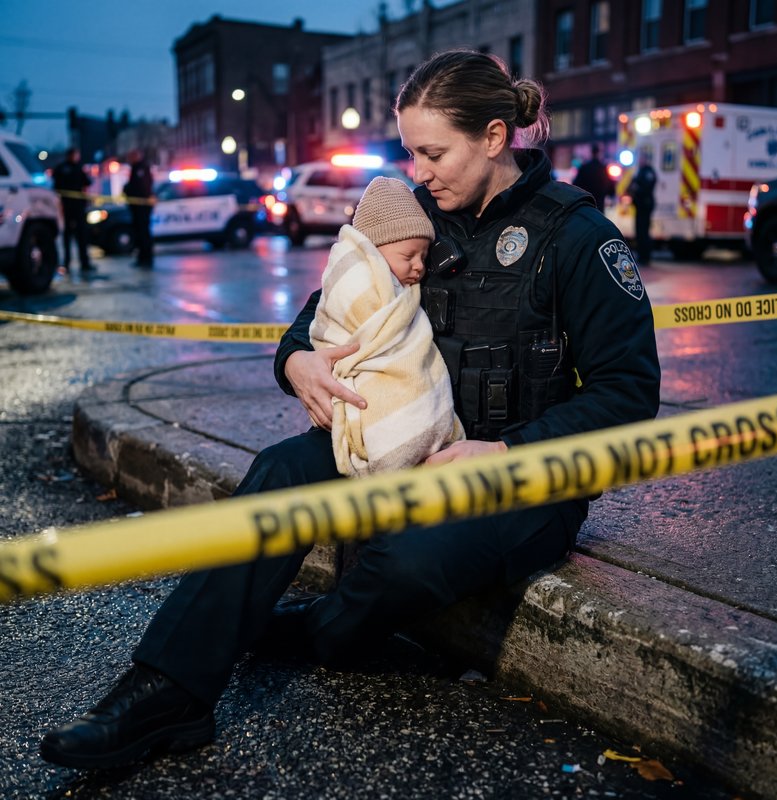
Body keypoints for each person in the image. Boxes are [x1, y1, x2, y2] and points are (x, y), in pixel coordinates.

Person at [40, 49, 660, 770]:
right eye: (410, 152)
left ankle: (314, 633)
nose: (418, 170)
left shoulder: (578, 237)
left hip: (521, 477)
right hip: (397, 444)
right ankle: (162, 695)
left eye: (433, 152)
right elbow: (325, 309)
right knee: (276, 472)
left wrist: (507, 452)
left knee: (405, 560)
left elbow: (627, 392)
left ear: (495, 138)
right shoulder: (415, 214)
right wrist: (296, 358)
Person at [311, 175, 464, 477]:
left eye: (424, 256)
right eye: (409, 257)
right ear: (372, 253)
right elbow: (331, 316)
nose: (419, 266)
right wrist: (291, 359)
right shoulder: (355, 279)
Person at [51, 147, 96, 275]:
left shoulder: (65, 168)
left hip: (72, 207)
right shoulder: (75, 168)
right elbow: (87, 183)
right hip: (72, 207)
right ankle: (73, 263)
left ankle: (74, 263)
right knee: (73, 236)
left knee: (76, 236)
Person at [124, 148, 155, 268]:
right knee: (140, 233)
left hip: (141, 207)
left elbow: (141, 187)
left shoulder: (141, 168)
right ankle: (143, 258)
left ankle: (146, 258)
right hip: (137, 207)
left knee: (143, 233)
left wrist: (128, 190)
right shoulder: (136, 168)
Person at [631, 151, 658, 265]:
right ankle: (641, 255)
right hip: (640, 205)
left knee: (644, 231)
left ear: (646, 159)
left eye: (641, 158)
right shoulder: (640, 171)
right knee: (639, 231)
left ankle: (645, 257)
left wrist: (637, 189)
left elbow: (647, 187)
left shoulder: (648, 171)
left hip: (645, 205)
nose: (640, 161)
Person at [573, 143, 614, 212]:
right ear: (599, 153)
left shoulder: (584, 168)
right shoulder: (603, 168)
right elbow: (610, 187)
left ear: (591, 152)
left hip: (586, 203)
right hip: (600, 204)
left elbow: (576, 184)